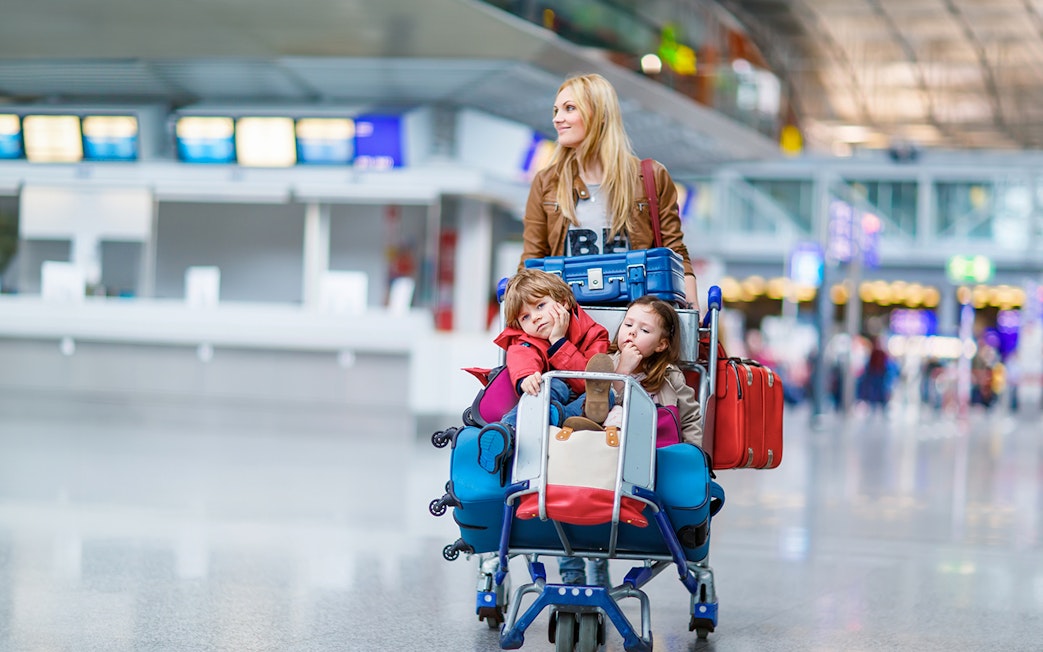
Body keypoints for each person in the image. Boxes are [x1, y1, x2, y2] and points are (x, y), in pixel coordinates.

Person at [518, 72, 701, 311]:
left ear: (600, 115)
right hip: (571, 323)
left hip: (637, 322)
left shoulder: (649, 176)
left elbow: (675, 253)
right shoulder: (546, 182)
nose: (557, 119)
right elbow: (531, 262)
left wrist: (692, 309)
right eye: (556, 111)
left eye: (569, 108)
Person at [475, 268, 613, 476]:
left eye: (541, 306)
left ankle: (560, 415)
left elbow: (588, 380)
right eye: (525, 317)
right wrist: (526, 376)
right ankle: (506, 432)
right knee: (551, 385)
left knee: (607, 395)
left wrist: (559, 342)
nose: (536, 318)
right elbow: (521, 356)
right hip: (544, 399)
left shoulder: (595, 334)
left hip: (583, 398)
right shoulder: (527, 340)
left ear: (564, 302)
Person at [589, 295, 703, 448]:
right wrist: (623, 369)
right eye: (628, 325)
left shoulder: (670, 375)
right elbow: (598, 406)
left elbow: (689, 419)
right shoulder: (606, 363)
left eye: (644, 330)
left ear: (661, 345)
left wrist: (692, 455)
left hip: (655, 446)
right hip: (610, 445)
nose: (632, 333)